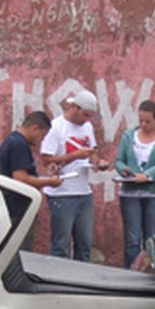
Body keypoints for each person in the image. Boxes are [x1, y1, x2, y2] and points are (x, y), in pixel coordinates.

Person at [40, 89, 109, 261]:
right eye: (85, 114)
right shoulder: (56, 127)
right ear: (75, 107)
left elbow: (92, 153)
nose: (87, 119)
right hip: (62, 193)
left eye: (90, 116)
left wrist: (98, 163)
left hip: (84, 192)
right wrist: (74, 156)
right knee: (61, 246)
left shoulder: (87, 127)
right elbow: (46, 159)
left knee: (84, 245)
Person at [115, 100, 155, 267]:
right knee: (132, 239)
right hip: (130, 193)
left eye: (148, 121)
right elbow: (119, 161)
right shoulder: (128, 136)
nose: (144, 124)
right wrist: (124, 170)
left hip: (154, 193)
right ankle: (131, 271)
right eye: (141, 120)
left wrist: (147, 175)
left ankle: (150, 269)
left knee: (152, 238)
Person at [0, 111, 62, 251]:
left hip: (11, 207)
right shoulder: (19, 145)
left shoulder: (13, 141)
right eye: (42, 136)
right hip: (16, 209)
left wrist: (45, 174)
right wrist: (49, 182)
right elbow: (21, 178)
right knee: (21, 253)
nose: (41, 140)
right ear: (35, 128)